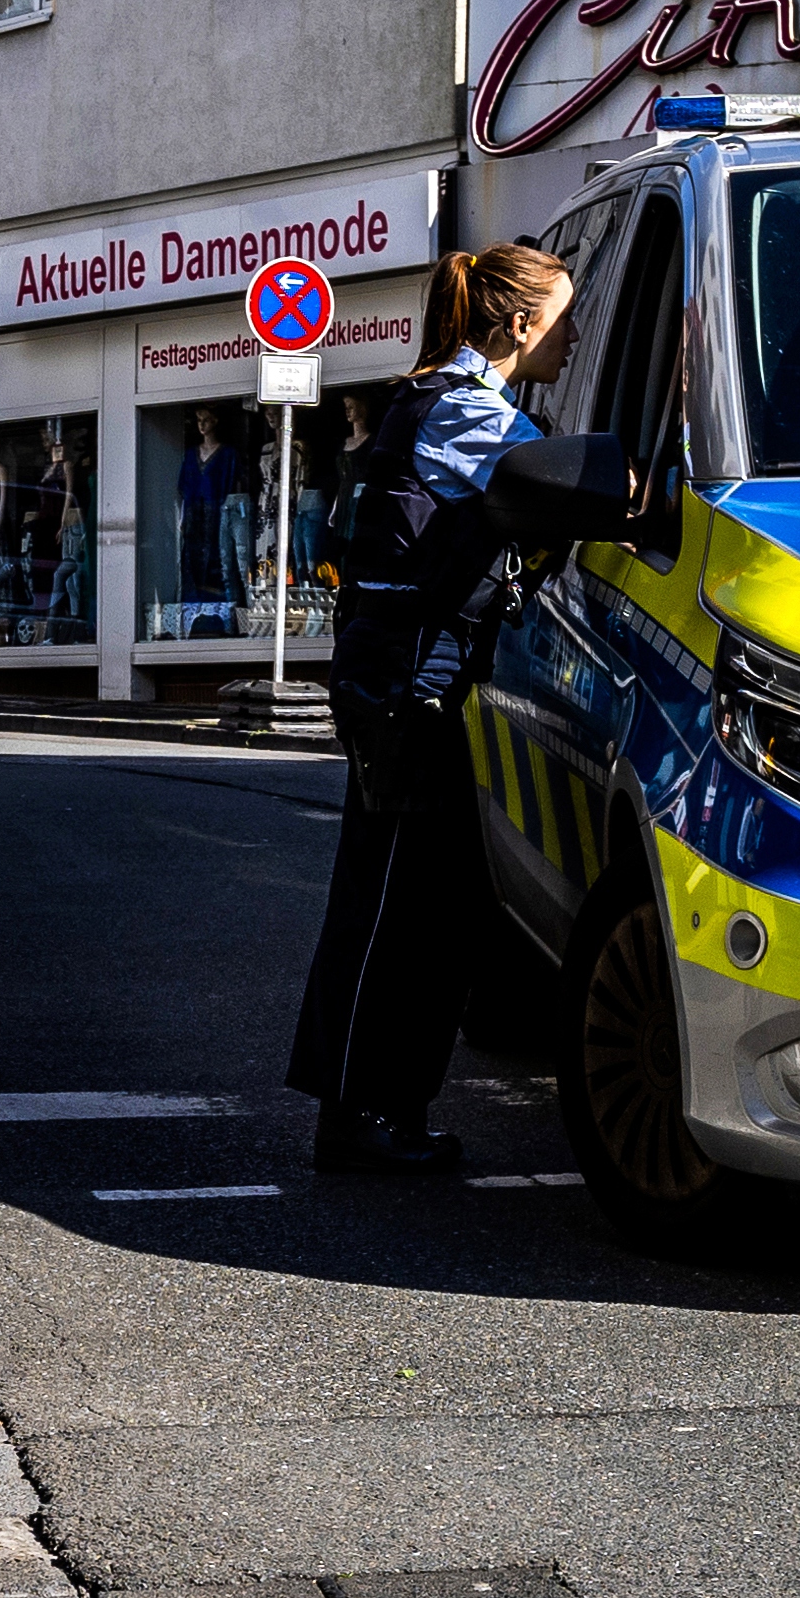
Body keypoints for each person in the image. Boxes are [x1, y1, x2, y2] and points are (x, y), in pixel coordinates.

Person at [284, 243, 576, 1173]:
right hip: (409, 694)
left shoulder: (430, 398)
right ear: (520, 325)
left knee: (419, 905)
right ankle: (358, 1115)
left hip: (397, 684)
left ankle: (379, 1109)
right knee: (396, 911)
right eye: (564, 318)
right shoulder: (467, 413)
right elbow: (572, 484)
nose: (572, 338)